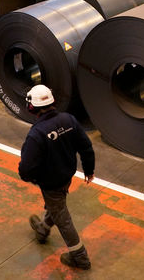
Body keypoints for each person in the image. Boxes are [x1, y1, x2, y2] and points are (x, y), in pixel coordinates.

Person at [18, 85, 95, 270]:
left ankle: (80, 257)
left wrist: (34, 177)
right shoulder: (69, 120)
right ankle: (42, 229)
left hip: (51, 182)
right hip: (66, 176)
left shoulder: (37, 134)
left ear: (32, 107)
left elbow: (26, 169)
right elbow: (86, 147)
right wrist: (89, 170)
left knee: (63, 218)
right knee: (56, 205)